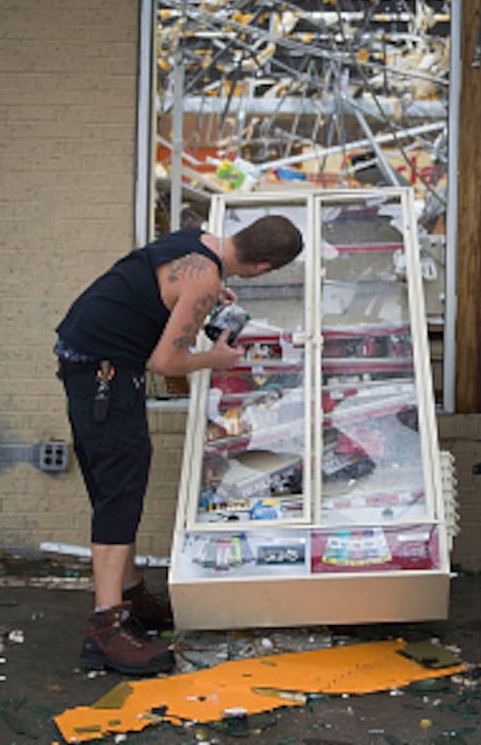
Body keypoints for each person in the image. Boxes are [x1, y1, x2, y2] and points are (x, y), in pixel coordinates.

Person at [54, 214, 303, 674]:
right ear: (264, 266)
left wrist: (205, 298)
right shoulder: (205, 281)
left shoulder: (196, 244)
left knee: (117, 487)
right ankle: (106, 631)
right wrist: (217, 356)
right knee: (120, 493)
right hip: (106, 376)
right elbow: (166, 360)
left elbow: (165, 289)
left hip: (89, 364)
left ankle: (130, 598)